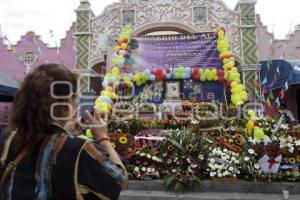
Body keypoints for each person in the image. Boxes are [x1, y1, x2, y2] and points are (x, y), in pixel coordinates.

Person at [0, 64, 128, 200]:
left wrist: (66, 132)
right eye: (76, 99)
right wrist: (103, 138)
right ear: (68, 100)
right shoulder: (80, 149)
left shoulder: (5, 141)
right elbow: (119, 181)